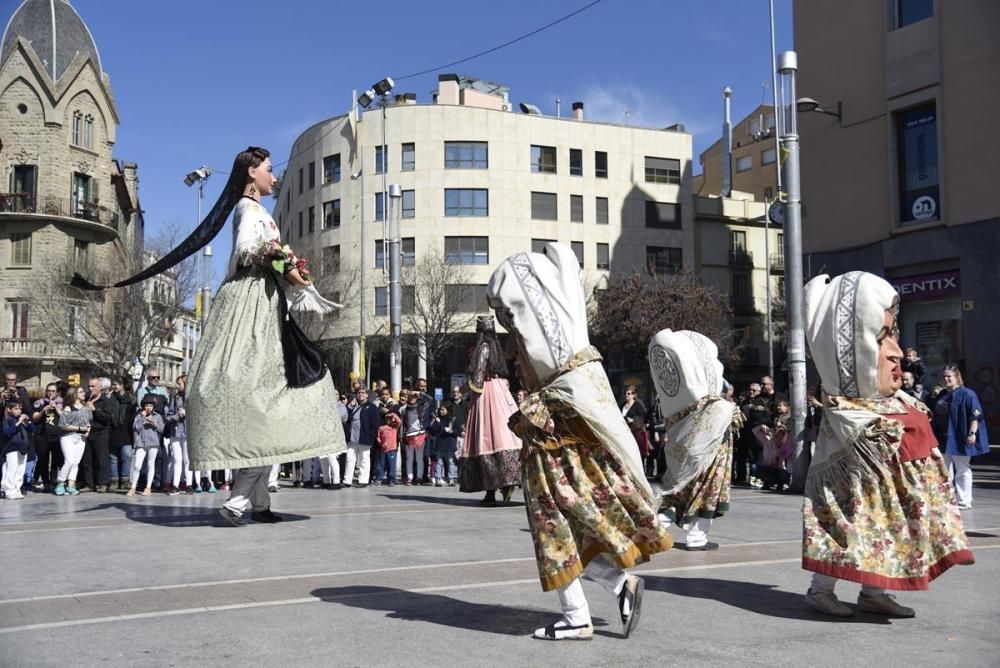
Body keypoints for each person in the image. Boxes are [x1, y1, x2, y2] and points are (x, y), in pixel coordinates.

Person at [487, 243, 673, 641]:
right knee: (570, 528)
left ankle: (577, 615)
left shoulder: (552, 357)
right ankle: (617, 588)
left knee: (552, 530)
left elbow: (534, 376)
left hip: (549, 448)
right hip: (569, 445)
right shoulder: (576, 352)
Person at [801, 271, 974, 618]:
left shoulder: (888, 397)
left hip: (878, 484)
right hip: (847, 483)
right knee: (843, 530)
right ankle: (820, 592)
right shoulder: (842, 399)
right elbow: (862, 429)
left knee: (879, 528)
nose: (895, 352)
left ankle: (873, 592)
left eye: (890, 335)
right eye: (881, 337)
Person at [649, 329, 744, 551]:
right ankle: (697, 537)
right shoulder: (713, 402)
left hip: (684, 447)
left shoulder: (681, 400)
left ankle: (655, 529)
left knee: (677, 488)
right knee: (708, 489)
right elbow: (722, 392)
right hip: (711, 447)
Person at [458, 315, 522, 505]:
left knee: (485, 438)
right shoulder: (496, 349)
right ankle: (507, 481)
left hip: (486, 395)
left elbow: (477, 379)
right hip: (501, 392)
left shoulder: (482, 349)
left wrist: (462, 389)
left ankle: (490, 492)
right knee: (505, 435)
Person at [933, 364, 989, 510]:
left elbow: (975, 414)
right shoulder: (941, 394)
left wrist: (972, 433)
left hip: (960, 438)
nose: (946, 379)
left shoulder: (967, 394)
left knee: (962, 469)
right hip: (943, 439)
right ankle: (947, 499)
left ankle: (964, 500)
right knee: (944, 470)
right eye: (944, 376)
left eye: (949, 376)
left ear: (956, 377)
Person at [56, 386, 92, 496]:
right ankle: (61, 482)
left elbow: (88, 422)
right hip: (68, 437)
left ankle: (71, 484)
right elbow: (63, 425)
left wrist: (88, 430)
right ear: (75, 394)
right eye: (81, 391)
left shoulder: (86, 408)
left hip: (81, 438)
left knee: (76, 462)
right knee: (69, 461)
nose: (83, 393)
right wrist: (79, 429)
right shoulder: (68, 408)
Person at [753, 398, 793, 491]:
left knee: (781, 471)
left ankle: (781, 483)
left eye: (780, 405)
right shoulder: (768, 440)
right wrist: (761, 427)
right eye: (777, 406)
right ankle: (767, 482)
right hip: (769, 468)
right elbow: (755, 431)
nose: (778, 407)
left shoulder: (786, 444)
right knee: (758, 468)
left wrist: (784, 429)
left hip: (780, 469)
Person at [343, 388, 380, 487]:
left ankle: (363, 480)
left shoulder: (372, 407)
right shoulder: (352, 406)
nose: (360, 395)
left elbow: (375, 424)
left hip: (364, 438)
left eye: (363, 393)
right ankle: (347, 480)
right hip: (352, 438)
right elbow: (346, 419)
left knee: (364, 459)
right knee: (350, 458)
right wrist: (349, 407)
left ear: (367, 395)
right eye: (358, 393)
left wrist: (371, 436)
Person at [129, 397, 164, 496]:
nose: (148, 408)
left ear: (153, 407)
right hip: (141, 442)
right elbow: (136, 428)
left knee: (150, 464)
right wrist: (142, 418)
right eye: (147, 406)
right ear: (143, 407)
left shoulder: (158, 416)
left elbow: (161, 429)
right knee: (137, 465)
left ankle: (148, 487)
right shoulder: (139, 415)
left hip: (153, 443)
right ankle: (133, 488)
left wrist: (154, 423)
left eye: (151, 406)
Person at [31, 384, 64, 492]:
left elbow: (66, 417)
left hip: (56, 436)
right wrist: (43, 411)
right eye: (49, 391)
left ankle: (54, 481)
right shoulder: (40, 403)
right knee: (43, 460)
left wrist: (56, 408)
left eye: (53, 391)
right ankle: (46, 482)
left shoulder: (62, 403)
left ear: (57, 392)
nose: (50, 393)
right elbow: (34, 418)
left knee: (56, 460)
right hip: (42, 436)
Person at [2, 398, 35, 499]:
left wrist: (28, 421)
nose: (19, 411)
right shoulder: (7, 420)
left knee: (20, 470)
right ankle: (8, 490)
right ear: (9, 409)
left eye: (20, 409)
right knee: (11, 469)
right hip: (12, 448)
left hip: (23, 448)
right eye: (16, 409)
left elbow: (33, 430)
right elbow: (8, 432)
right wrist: (18, 423)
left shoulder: (22, 420)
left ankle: (17, 488)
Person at [108, 379, 136, 490]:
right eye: (113, 385)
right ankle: (114, 481)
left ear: (122, 385)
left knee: (127, 456)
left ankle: (125, 480)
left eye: (115, 385)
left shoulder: (131, 399)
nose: (114, 387)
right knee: (113, 458)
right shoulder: (110, 399)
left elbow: (133, 417)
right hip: (113, 431)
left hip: (126, 432)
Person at [427, 404, 460, 486]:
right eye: (440, 410)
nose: (441, 411)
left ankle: (451, 479)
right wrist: (438, 423)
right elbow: (432, 430)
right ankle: (438, 479)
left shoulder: (453, 419)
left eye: (443, 410)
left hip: (449, 444)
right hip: (440, 443)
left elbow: (458, 431)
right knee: (439, 462)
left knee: (450, 462)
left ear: (447, 410)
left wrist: (451, 431)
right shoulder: (437, 419)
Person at [620, 386, 648, 473]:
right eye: (625, 393)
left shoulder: (638, 405)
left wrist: (633, 420)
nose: (626, 395)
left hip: (636, 432)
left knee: (637, 452)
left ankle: (640, 471)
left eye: (628, 393)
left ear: (633, 395)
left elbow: (644, 418)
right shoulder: (622, 405)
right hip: (624, 432)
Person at [375, 411, 401, 486]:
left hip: (392, 449)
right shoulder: (381, 427)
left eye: (390, 418)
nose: (388, 420)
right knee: (381, 465)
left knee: (392, 465)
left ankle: (392, 480)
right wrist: (380, 443)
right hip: (383, 449)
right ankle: (379, 479)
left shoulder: (394, 427)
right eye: (387, 418)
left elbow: (399, 421)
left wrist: (393, 415)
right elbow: (378, 437)